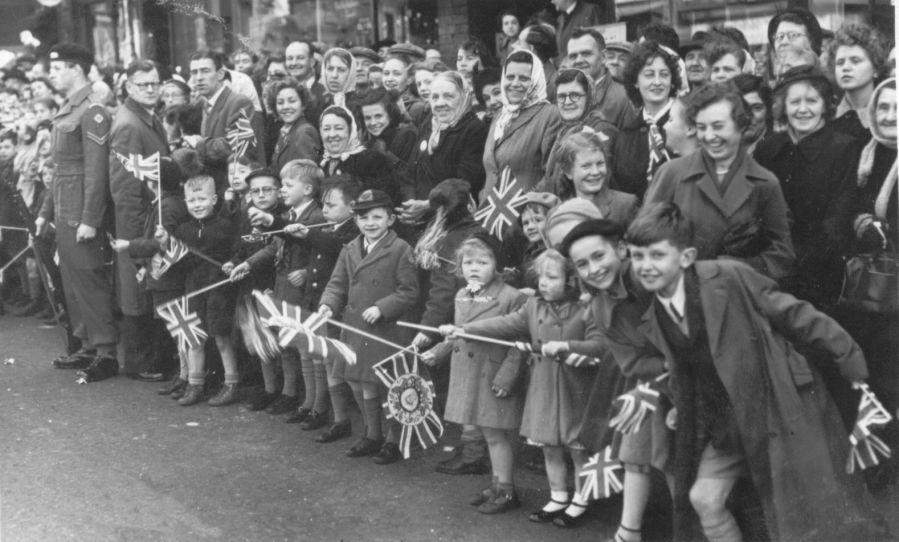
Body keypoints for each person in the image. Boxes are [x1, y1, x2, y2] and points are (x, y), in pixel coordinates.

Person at [624, 201, 886, 542]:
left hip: (776, 408)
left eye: (657, 255)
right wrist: (677, 405)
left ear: (686, 257)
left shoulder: (728, 276)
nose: (645, 266)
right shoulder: (657, 313)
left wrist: (846, 352)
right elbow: (685, 368)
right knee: (703, 499)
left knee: (809, 512)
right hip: (726, 424)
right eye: (637, 256)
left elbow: (793, 314)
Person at [560, 219, 667, 542]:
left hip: (696, 376)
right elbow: (633, 363)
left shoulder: (650, 277)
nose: (593, 269)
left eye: (598, 256)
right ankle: (628, 532)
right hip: (654, 378)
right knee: (632, 447)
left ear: (621, 249)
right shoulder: (601, 306)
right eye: (582, 264)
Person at [647, 83, 795, 282]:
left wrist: (740, 266)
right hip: (683, 295)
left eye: (718, 126)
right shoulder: (672, 173)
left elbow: (782, 256)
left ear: (741, 126)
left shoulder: (765, 183)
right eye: (701, 127)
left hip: (739, 298)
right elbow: (645, 239)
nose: (709, 136)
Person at [428, 234, 527, 514]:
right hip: (470, 374)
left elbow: (520, 345)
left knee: (496, 437)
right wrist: (437, 352)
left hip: (492, 376)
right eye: (468, 262)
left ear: (497, 265)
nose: (474, 268)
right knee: (486, 434)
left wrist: (507, 377)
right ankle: (497, 485)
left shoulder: (510, 296)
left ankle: (507, 491)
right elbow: (458, 334)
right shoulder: (463, 294)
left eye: (483, 262)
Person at [317, 189, 420, 459]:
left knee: (390, 385)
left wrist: (382, 307)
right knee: (363, 383)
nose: (370, 223)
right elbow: (337, 283)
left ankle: (393, 439)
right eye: (363, 218)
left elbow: (409, 291)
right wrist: (328, 304)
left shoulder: (400, 249)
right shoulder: (350, 248)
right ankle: (372, 434)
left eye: (377, 217)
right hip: (355, 326)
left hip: (387, 329)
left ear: (391, 219)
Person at [38, 43, 118, 382]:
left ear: (76, 69)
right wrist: (46, 210)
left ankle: (107, 352)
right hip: (64, 205)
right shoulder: (68, 107)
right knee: (72, 282)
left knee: (89, 280)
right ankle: (86, 344)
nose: (53, 74)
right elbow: (60, 169)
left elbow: (96, 172)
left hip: (80, 211)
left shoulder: (93, 110)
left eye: (58, 68)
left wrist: (89, 219)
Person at [755, 66, 859, 309]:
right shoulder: (768, 149)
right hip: (770, 270)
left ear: (825, 105)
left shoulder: (843, 148)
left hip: (818, 276)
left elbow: (837, 221)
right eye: (795, 102)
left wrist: (798, 270)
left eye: (811, 101)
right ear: (783, 107)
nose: (803, 109)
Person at [235, 160, 325, 417]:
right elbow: (275, 246)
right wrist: (247, 264)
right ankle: (298, 398)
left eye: (287, 185)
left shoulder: (315, 216)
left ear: (307, 189)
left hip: (301, 291)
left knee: (303, 347)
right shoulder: (290, 215)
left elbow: (324, 250)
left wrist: (307, 272)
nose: (283, 190)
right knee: (285, 342)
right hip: (282, 285)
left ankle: (309, 402)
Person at [846, 78, 899, 489]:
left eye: (897, 108)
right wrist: (863, 223)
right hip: (877, 291)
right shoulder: (867, 155)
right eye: (883, 108)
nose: (890, 116)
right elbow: (851, 207)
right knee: (877, 376)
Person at [108, 59, 170, 381]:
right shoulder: (129, 124)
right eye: (142, 84)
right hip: (139, 219)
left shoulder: (145, 116)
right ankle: (140, 362)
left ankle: (147, 358)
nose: (150, 89)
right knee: (139, 287)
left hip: (152, 215)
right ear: (129, 86)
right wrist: (134, 243)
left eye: (154, 83)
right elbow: (125, 186)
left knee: (147, 287)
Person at [284, 178, 360, 434]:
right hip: (316, 299)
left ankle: (337, 418)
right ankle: (314, 405)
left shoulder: (351, 230)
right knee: (313, 353)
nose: (325, 210)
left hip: (333, 304)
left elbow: (334, 246)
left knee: (329, 361)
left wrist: (308, 234)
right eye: (324, 204)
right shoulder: (329, 226)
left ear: (352, 208)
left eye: (331, 205)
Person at [157, 175, 238, 405]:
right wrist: (165, 244)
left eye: (202, 199)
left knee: (221, 338)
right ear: (185, 202)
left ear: (214, 199)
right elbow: (178, 261)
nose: (197, 204)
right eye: (192, 200)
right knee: (194, 338)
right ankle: (195, 385)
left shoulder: (226, 225)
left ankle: (231, 384)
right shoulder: (183, 230)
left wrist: (232, 262)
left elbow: (237, 250)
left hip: (219, 288)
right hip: (193, 287)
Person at [118, 157, 189, 396]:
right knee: (173, 326)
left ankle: (186, 375)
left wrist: (129, 245)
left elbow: (161, 244)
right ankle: (184, 374)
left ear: (154, 181)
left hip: (168, 276)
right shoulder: (167, 202)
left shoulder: (167, 206)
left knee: (178, 327)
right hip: (161, 274)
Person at [399, 71, 487, 230]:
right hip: (419, 218)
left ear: (463, 97)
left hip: (452, 220)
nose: (440, 103)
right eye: (435, 97)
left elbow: (464, 181)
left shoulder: (473, 129)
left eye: (448, 96)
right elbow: (411, 170)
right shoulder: (429, 123)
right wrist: (410, 205)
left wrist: (427, 205)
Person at [482, 49, 561, 204]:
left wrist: (519, 206)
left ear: (536, 80)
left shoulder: (550, 115)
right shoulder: (500, 116)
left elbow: (551, 176)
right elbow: (491, 170)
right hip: (490, 216)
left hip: (526, 215)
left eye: (524, 78)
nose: (515, 84)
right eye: (510, 77)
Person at [611, 41, 681, 199]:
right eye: (649, 75)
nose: (657, 82)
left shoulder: (684, 124)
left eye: (664, 74)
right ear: (636, 82)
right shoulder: (627, 131)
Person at [188, 51, 264, 194]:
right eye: (194, 72)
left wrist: (198, 144)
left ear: (221, 74)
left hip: (234, 190)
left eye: (205, 71)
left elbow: (237, 147)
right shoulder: (205, 104)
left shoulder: (239, 102)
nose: (198, 78)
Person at [540, 68, 618, 193]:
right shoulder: (562, 132)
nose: (567, 102)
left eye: (575, 95)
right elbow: (550, 178)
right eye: (561, 97)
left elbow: (596, 180)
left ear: (589, 97)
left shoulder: (601, 130)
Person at [554, 129, 637, 224]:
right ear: (568, 172)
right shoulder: (558, 213)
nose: (595, 172)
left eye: (600, 163)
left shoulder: (624, 206)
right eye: (586, 166)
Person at [319, 105, 397, 203]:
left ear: (350, 130)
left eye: (339, 128)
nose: (332, 134)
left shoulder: (369, 160)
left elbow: (382, 199)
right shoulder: (323, 163)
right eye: (326, 129)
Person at [829, 22, 891, 142]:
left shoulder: (888, 116)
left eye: (855, 61)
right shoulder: (828, 117)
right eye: (840, 62)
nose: (846, 67)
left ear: (876, 68)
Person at [566, 28, 633, 128]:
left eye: (586, 54)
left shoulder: (623, 98)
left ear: (603, 57)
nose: (578, 60)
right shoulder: (563, 94)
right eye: (573, 56)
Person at [267, 78, 322, 172]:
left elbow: (306, 174)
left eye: (292, 101)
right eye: (280, 102)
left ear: (303, 104)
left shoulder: (304, 132)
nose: (286, 107)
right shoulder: (285, 131)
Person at [358, 87, 418, 169]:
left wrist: (385, 155)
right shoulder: (368, 142)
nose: (373, 123)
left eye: (378, 116)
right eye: (368, 118)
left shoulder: (407, 134)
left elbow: (410, 175)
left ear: (390, 115)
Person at [382, 51, 429, 128]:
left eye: (396, 74)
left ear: (409, 79)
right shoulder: (380, 102)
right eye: (386, 73)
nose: (390, 79)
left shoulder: (417, 107)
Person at [285, 40, 325, 123]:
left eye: (300, 58)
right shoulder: (282, 92)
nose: (294, 63)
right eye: (290, 58)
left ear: (311, 62)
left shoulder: (323, 94)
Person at [732, 74, 771, 155]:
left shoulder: (780, 153)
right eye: (740, 108)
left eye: (757, 108)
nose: (748, 117)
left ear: (768, 111)